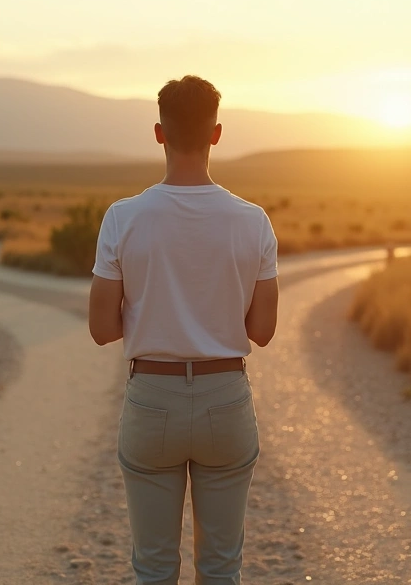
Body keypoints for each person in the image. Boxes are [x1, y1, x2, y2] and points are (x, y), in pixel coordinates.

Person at [88, 75, 279, 585]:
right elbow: (263, 330)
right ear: (216, 134)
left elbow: (101, 329)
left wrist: (156, 311)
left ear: (159, 133)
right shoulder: (253, 221)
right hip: (225, 397)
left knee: (152, 568)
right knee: (221, 569)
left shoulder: (122, 218)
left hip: (152, 399)